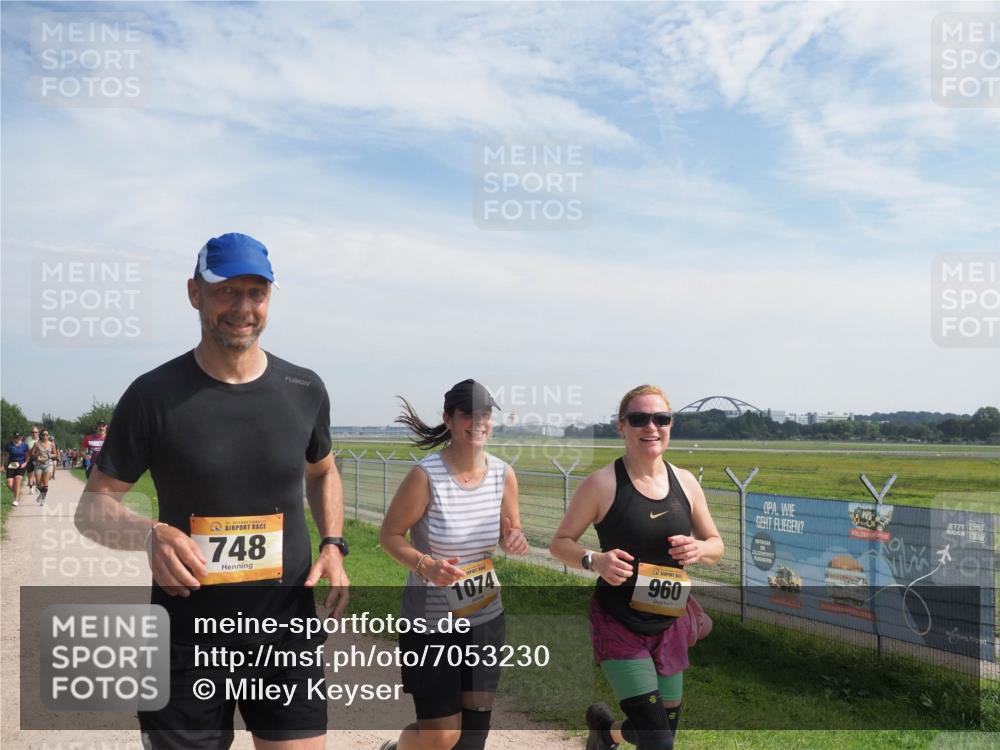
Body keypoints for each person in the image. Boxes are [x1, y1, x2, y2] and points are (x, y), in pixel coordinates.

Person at [75, 232, 350, 750]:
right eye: (226, 291)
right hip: (184, 638)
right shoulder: (153, 395)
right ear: (194, 292)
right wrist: (149, 534)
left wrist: (334, 544)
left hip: (284, 630)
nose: (243, 308)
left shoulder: (304, 389)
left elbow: (323, 471)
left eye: (257, 293)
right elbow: (93, 507)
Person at [550, 385, 724, 750]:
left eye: (661, 419)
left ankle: (604, 733)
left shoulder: (686, 483)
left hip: (669, 623)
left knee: (659, 731)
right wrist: (593, 560)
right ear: (621, 426)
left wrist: (699, 548)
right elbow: (560, 542)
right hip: (620, 622)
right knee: (659, 740)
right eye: (639, 418)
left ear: (670, 425)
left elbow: (716, 545)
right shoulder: (602, 484)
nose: (651, 427)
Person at [377, 379, 530, 750]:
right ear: (448, 419)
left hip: (485, 617)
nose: (479, 422)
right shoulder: (425, 476)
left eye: (486, 414)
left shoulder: (503, 474)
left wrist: (515, 540)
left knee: (473, 738)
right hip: (430, 624)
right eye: (468, 414)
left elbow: (510, 532)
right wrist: (426, 565)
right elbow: (390, 536)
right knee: (441, 736)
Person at [29, 428, 57, 505]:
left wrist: (50, 455)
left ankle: (43, 499)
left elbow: (55, 454)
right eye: (43, 434)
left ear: (48, 436)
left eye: (46, 435)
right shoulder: (37, 444)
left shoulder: (51, 444)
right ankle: (41, 494)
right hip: (38, 465)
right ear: (41, 435)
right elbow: (31, 454)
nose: (45, 436)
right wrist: (37, 455)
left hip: (48, 464)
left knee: (45, 483)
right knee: (38, 484)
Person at [3, 431, 30, 506]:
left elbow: (27, 456)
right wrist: (2, 465)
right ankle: (18, 493)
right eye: (15, 437)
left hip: (21, 465)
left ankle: (16, 499)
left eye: (18, 437)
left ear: (21, 437)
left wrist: (25, 463)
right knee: (9, 484)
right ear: (13, 437)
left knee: (17, 481)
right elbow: (4, 456)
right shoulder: (9, 445)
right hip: (11, 465)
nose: (17, 439)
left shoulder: (25, 446)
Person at [25, 425, 39, 492]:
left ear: (38, 433)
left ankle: (37, 487)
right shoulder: (27, 439)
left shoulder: (40, 439)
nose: (34, 433)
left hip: (38, 459)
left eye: (36, 432)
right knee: (30, 474)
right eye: (33, 432)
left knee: (38, 474)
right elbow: (25, 449)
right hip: (30, 459)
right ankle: (30, 489)